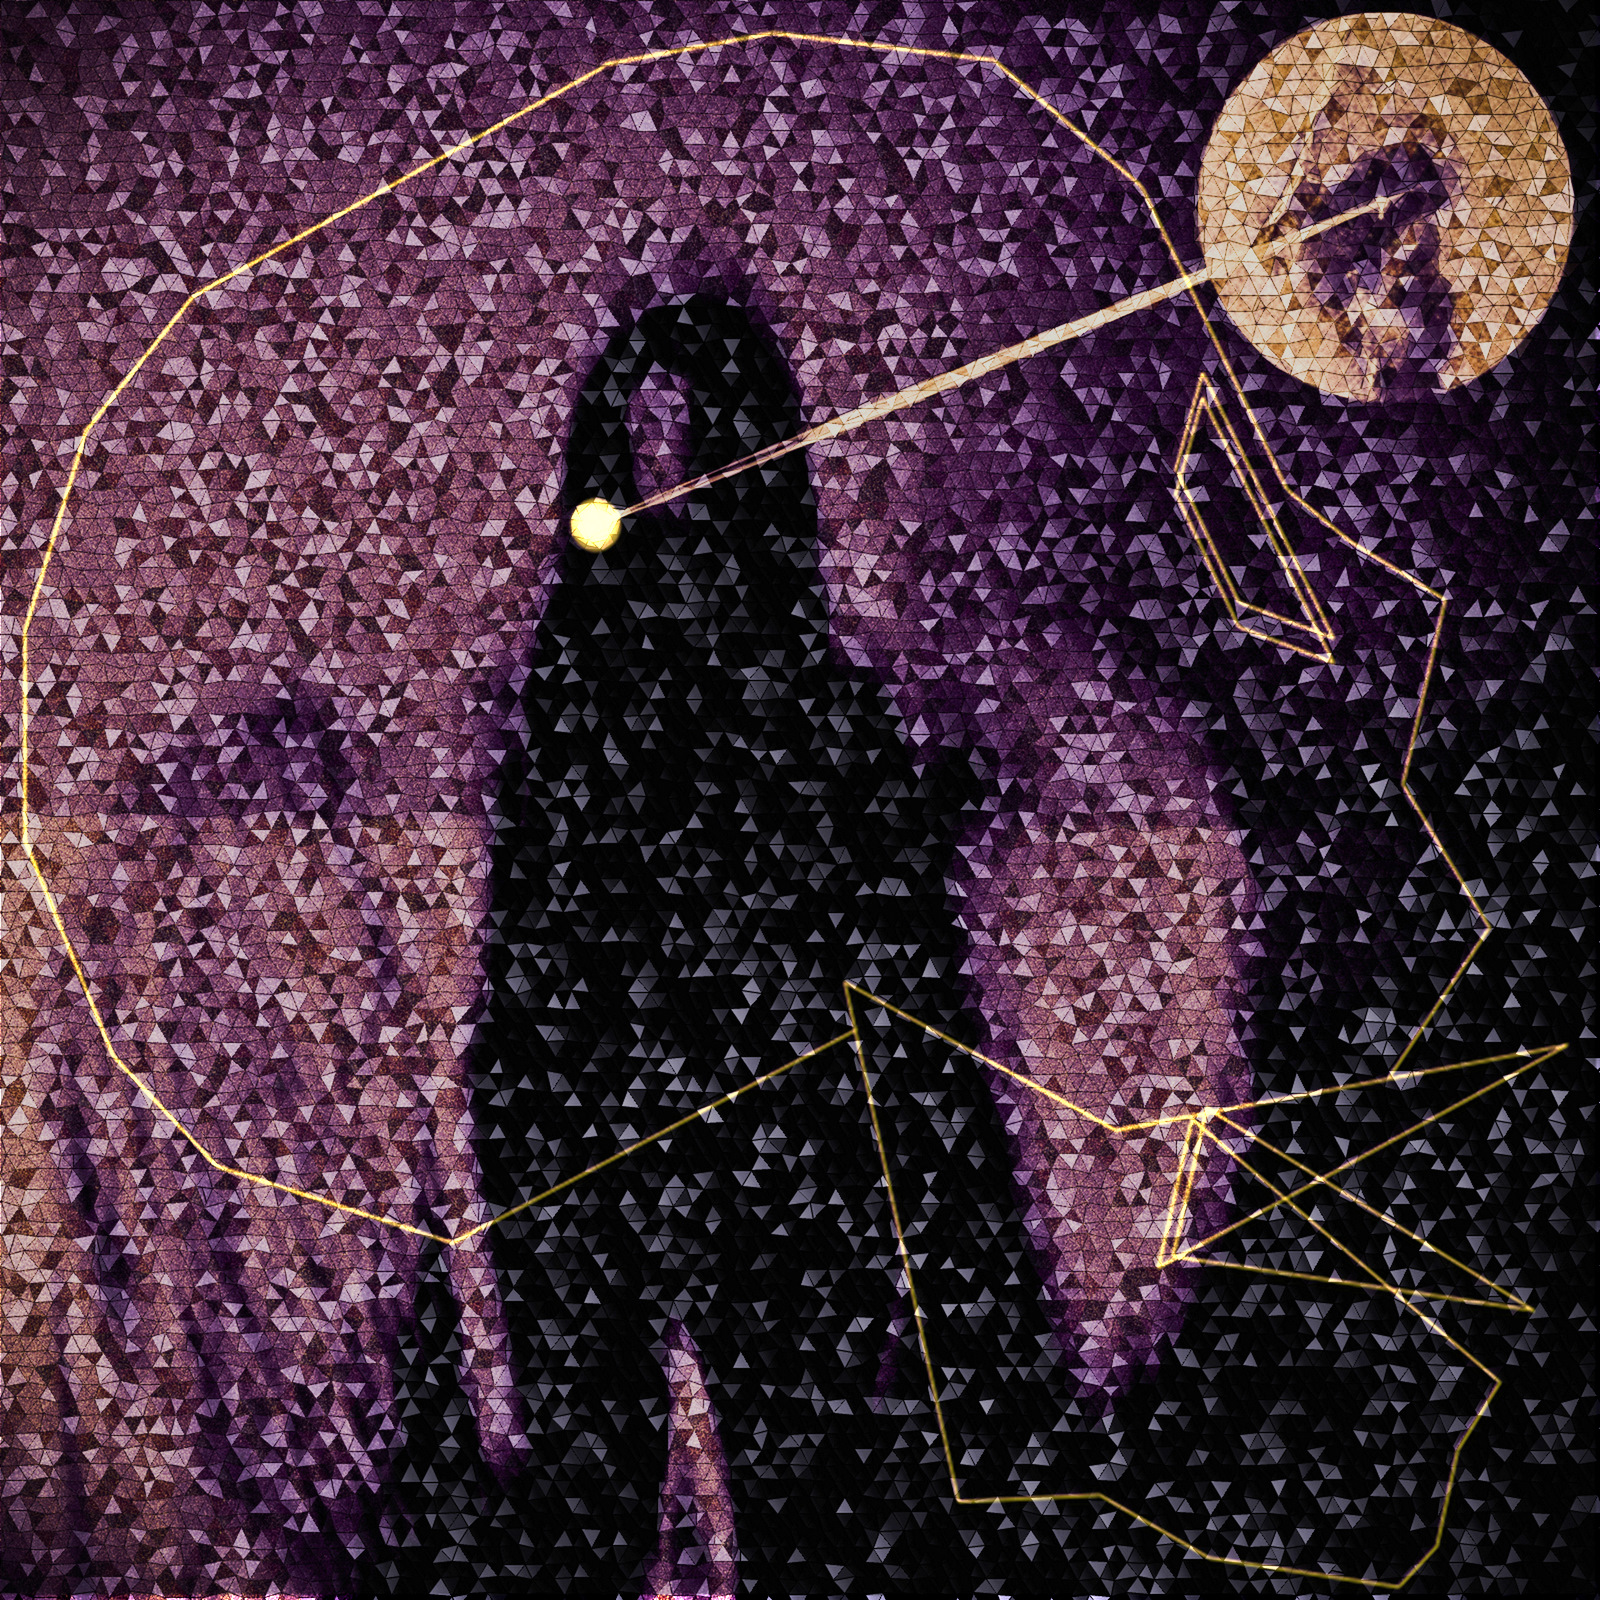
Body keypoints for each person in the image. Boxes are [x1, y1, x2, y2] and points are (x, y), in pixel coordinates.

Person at [0, 27, 1251, 1595]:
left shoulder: (831, 722)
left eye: (709, 455)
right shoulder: (553, 725)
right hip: (597, 1151)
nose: (672, 496)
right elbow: (507, 1002)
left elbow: (925, 1013)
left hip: (773, 1173)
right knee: (605, 1498)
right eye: (639, 462)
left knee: (799, 1495)